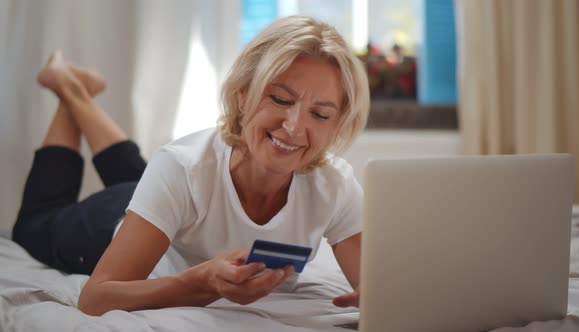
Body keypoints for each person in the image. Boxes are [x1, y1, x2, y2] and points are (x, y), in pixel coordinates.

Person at [12, 15, 370, 316]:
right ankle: (69, 90)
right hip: (111, 224)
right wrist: (201, 283)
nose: (293, 126)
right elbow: (95, 299)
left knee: (146, 175)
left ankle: (78, 92)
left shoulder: (335, 185)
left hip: (171, 204)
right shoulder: (183, 168)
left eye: (320, 114)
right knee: (32, 225)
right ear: (243, 94)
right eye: (279, 99)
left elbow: (372, 285)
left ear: (338, 123)